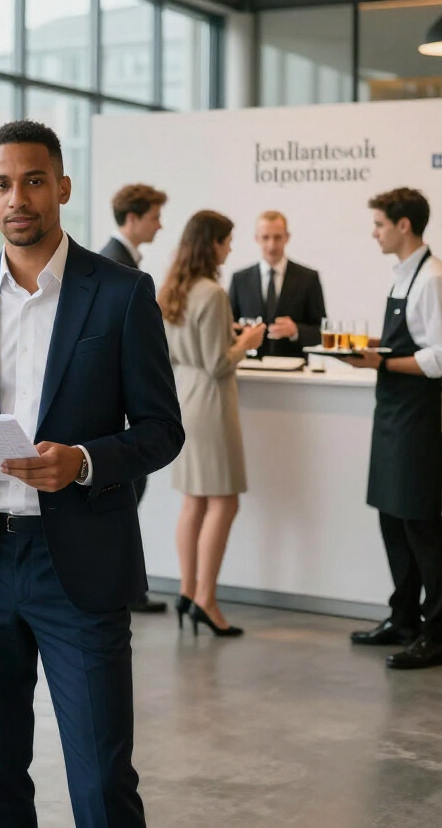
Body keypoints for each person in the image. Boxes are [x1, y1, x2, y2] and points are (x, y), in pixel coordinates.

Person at [0, 120, 184, 828]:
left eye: (33, 180)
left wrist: (84, 462)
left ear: (60, 186)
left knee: (101, 787)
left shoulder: (121, 293)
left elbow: (161, 430)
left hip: (80, 568)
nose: (17, 197)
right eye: (1, 183)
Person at [342, 188, 442, 670]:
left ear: (404, 225)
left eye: (379, 224)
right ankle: (404, 619)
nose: (374, 232)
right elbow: (403, 343)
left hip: (419, 420)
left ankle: (437, 636)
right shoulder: (405, 275)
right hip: (394, 414)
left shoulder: (434, 279)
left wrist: (379, 362)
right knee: (393, 518)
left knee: (422, 524)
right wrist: (370, 349)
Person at [159, 211, 265, 638]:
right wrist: (246, 341)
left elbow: (179, 353)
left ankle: (187, 592)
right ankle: (206, 599)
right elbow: (218, 362)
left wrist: (227, 337)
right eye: (227, 240)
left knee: (193, 503)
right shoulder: (214, 294)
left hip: (184, 397)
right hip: (211, 403)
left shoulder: (172, 290)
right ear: (213, 244)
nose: (230, 248)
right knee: (224, 501)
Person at [98, 182, 169, 614]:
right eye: (155, 216)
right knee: (119, 503)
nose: (160, 224)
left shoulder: (120, 261)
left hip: (126, 416)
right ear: (134, 217)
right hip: (117, 419)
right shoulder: (114, 265)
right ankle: (121, 589)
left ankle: (127, 588)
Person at [227, 211, 325, 358]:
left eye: (278, 237)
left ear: (287, 237)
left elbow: (321, 331)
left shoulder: (308, 278)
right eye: (265, 237)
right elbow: (227, 326)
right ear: (256, 239)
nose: (272, 245)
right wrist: (244, 333)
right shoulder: (240, 279)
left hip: (293, 368)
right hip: (249, 367)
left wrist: (296, 331)